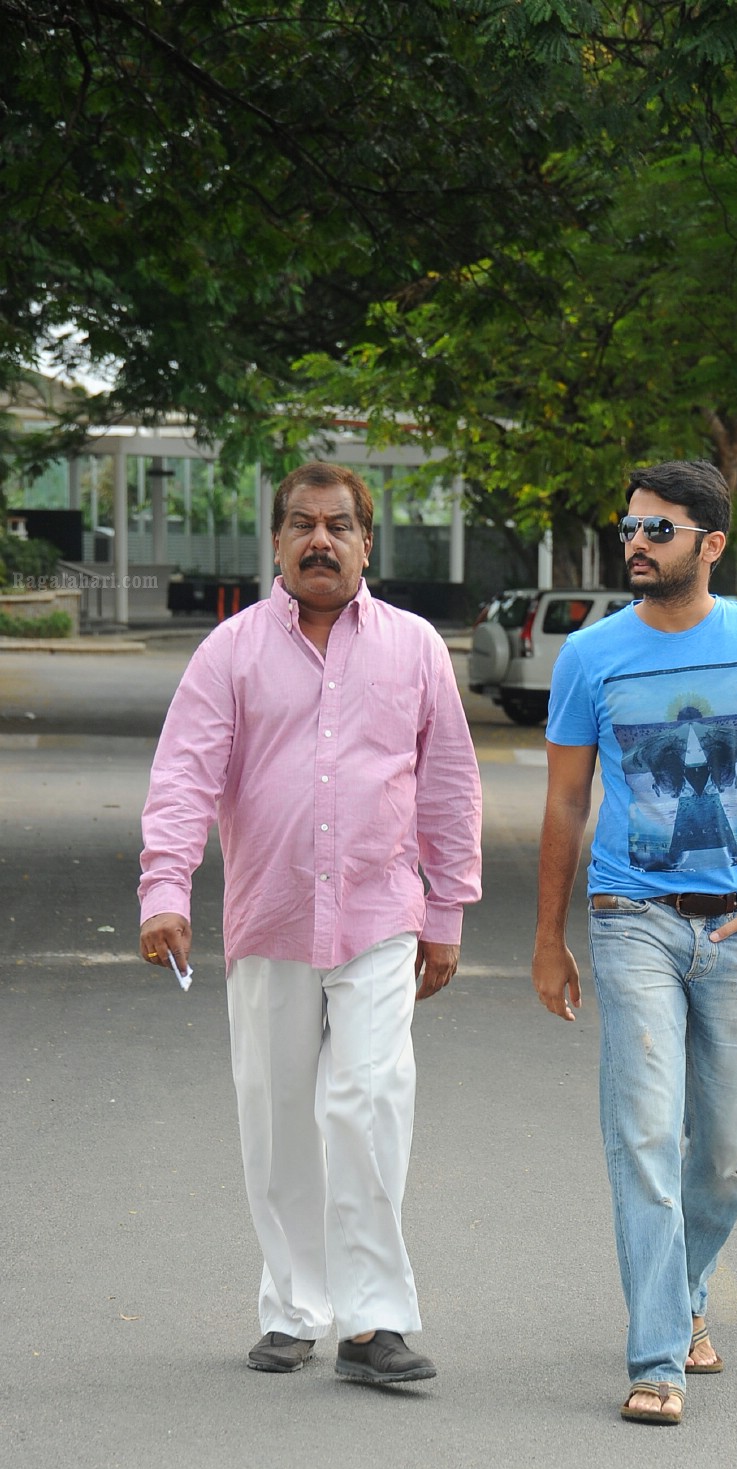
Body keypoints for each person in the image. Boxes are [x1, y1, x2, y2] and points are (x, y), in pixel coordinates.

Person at [139, 461, 482, 1385]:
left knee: (368, 1104)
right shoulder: (232, 650)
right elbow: (184, 776)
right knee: (279, 1116)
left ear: (368, 543)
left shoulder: (414, 648)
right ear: (278, 543)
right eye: (302, 524)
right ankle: (294, 1306)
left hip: (380, 915)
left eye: (338, 525)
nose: (320, 540)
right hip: (270, 915)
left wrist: (445, 908)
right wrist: (164, 889)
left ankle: (372, 1324)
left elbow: (447, 782)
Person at [533, 460, 737, 1423]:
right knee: (645, 1136)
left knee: (723, 1156)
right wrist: (548, 935)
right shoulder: (590, 654)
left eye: (657, 530)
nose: (635, 544)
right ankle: (657, 1355)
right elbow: (567, 800)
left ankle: (687, 1294)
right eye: (629, 527)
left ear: (711, 543)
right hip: (632, 920)